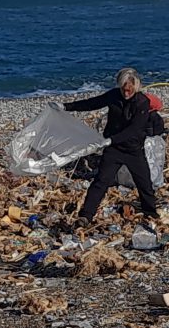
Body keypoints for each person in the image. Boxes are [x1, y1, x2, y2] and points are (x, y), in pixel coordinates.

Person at [57, 67, 158, 226]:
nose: (126, 93)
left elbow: (135, 129)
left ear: (136, 87)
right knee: (101, 181)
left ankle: (150, 212)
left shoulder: (142, 102)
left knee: (144, 183)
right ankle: (86, 216)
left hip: (133, 150)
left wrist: (111, 140)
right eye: (124, 89)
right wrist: (66, 107)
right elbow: (93, 103)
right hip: (113, 150)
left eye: (129, 90)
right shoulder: (113, 96)